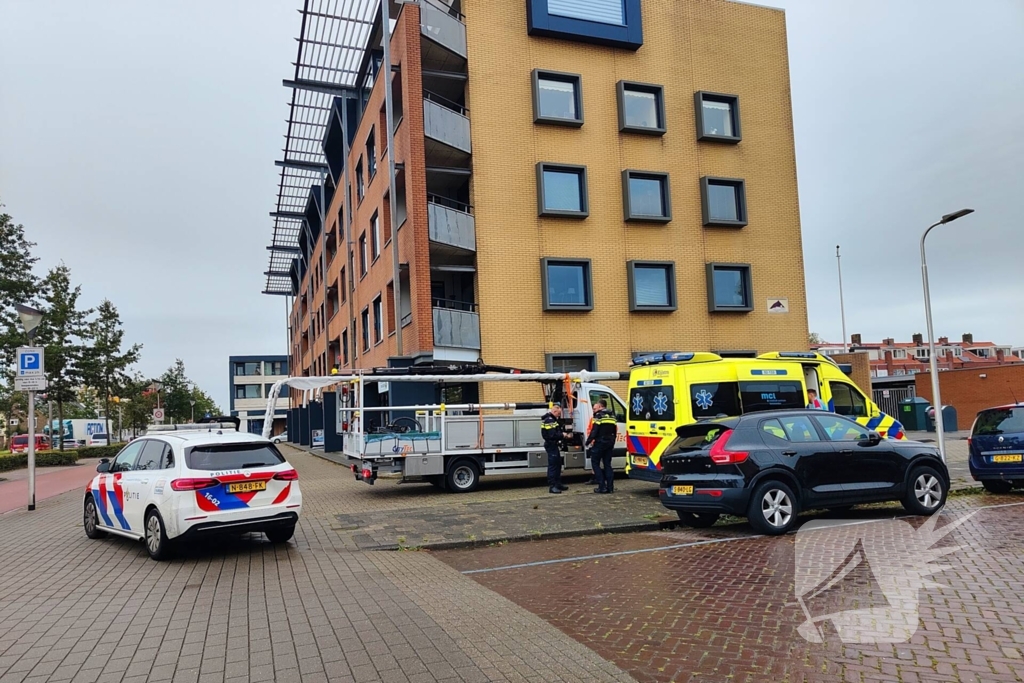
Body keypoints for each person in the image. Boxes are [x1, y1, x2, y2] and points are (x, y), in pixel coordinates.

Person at [586, 400, 618, 494]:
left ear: (600, 407)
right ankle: (610, 487)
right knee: (607, 464)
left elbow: (594, 431)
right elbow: (614, 431)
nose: (594, 410)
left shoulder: (598, 416)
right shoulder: (612, 416)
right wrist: (612, 441)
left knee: (595, 464)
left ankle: (602, 487)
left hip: (600, 442)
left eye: (595, 408)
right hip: (610, 443)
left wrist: (588, 442)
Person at [541, 404, 569, 494]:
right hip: (551, 445)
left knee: (558, 465)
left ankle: (557, 484)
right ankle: (552, 486)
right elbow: (552, 435)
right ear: (554, 411)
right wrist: (562, 435)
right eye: (559, 413)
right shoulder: (549, 420)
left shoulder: (552, 419)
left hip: (553, 445)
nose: (559, 415)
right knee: (553, 466)